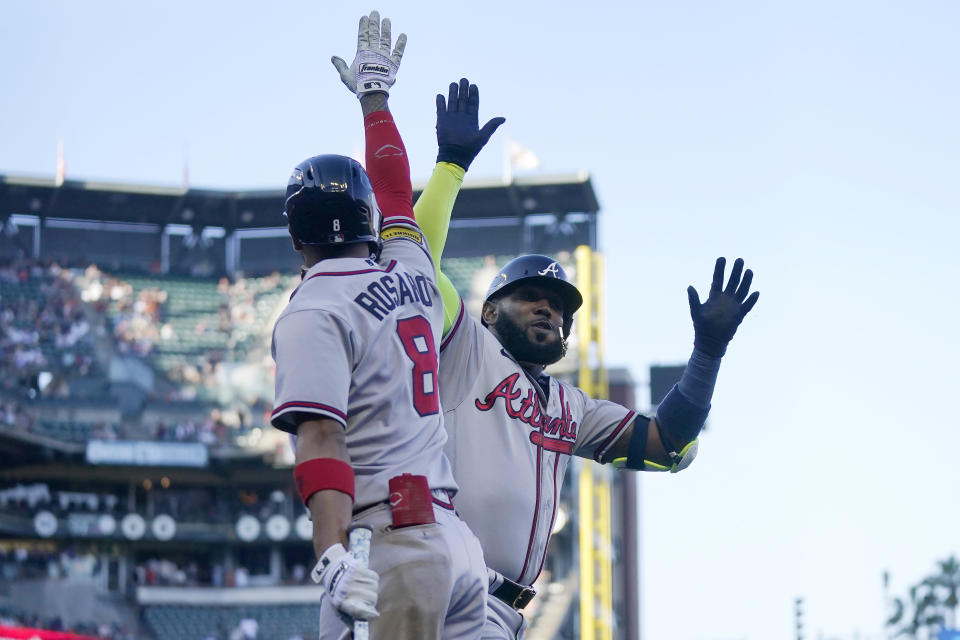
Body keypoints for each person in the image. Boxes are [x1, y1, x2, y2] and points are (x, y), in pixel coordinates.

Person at [367, 75, 760, 638]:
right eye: (531, 297)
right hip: (441, 584)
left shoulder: (570, 406)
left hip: (500, 611)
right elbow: (416, 254)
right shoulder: (463, 348)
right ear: (488, 311)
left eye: (560, 307)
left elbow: (666, 445)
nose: (550, 311)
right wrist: (451, 165)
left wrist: (708, 353)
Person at [272, 11, 487, 639]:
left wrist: (332, 556)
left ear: (295, 234)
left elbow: (322, 442)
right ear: (367, 219)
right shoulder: (413, 265)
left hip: (390, 543)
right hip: (456, 543)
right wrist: (375, 98)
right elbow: (396, 188)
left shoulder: (312, 309)